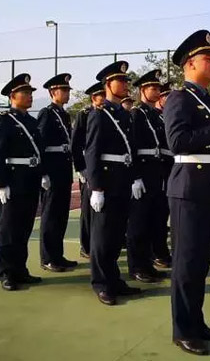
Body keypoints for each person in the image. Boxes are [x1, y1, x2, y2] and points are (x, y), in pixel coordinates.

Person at [164, 30, 210, 356]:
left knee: (200, 261)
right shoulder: (179, 98)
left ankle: (196, 321)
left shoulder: (206, 100)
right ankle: (183, 330)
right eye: (208, 58)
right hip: (188, 189)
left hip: (208, 187)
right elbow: (177, 142)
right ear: (190, 64)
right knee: (187, 263)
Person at [85, 61, 142, 305]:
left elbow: (132, 150)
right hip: (107, 182)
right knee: (102, 236)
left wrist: (134, 177)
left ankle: (114, 280)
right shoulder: (99, 115)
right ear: (108, 84)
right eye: (121, 81)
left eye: (127, 81)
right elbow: (92, 153)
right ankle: (101, 283)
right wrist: (96, 188)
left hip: (122, 180)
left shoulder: (125, 115)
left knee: (117, 234)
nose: (126, 85)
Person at [0, 73, 47, 291]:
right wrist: (0, 183)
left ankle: (20, 270)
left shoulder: (31, 121)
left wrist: (43, 173)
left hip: (30, 179)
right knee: (8, 229)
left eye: (30, 93)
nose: (29, 96)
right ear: (12, 96)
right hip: (13, 181)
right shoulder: (3, 120)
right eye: (25, 92)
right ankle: (6, 273)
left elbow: (38, 150)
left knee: (24, 227)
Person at [126, 69, 168, 283]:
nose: (157, 91)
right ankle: (136, 266)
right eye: (153, 88)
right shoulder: (136, 114)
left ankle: (148, 263)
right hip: (142, 172)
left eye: (159, 88)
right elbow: (131, 146)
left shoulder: (155, 116)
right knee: (138, 223)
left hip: (156, 172)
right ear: (142, 90)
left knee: (153, 220)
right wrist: (135, 176)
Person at [37, 73, 78, 272]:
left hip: (63, 170)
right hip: (52, 171)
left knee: (61, 216)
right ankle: (48, 258)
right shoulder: (47, 114)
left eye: (68, 90)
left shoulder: (64, 114)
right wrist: (43, 173)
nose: (67, 93)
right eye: (64, 90)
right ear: (53, 92)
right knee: (50, 216)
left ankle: (57, 255)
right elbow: (40, 144)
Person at [71, 81, 106, 259]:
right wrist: (81, 168)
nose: (105, 99)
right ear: (94, 98)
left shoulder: (106, 114)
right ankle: (86, 246)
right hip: (88, 166)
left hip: (102, 167)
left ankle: (99, 244)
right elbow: (76, 143)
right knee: (87, 209)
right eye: (102, 96)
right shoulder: (85, 114)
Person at [152, 81, 174, 269]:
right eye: (166, 95)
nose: (169, 98)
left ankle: (161, 251)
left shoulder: (165, 117)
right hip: (157, 168)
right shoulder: (151, 116)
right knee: (156, 214)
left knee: (164, 212)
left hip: (169, 167)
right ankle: (157, 253)